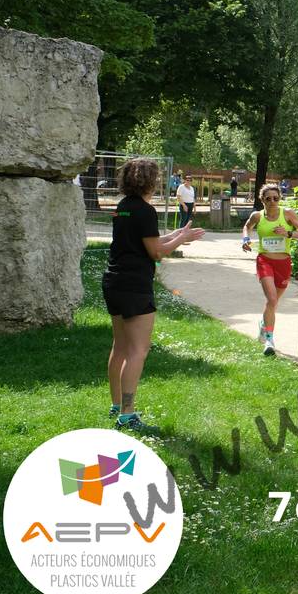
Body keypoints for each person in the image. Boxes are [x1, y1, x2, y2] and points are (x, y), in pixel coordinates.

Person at [102, 157, 204, 433]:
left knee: (120, 347)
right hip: (135, 285)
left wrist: (176, 234)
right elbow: (156, 252)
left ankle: (116, 406)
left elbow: (145, 241)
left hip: (114, 281)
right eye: (156, 178)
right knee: (138, 350)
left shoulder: (123, 207)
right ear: (149, 181)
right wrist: (182, 239)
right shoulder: (145, 210)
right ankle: (127, 415)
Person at [242, 184, 298, 355]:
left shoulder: (288, 214)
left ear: (280, 199)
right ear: (262, 200)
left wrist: (288, 234)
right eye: (268, 198)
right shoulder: (257, 216)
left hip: (283, 263)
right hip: (265, 261)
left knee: (273, 302)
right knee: (271, 299)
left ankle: (264, 324)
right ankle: (269, 340)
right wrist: (245, 239)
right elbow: (247, 226)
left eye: (275, 198)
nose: (272, 201)